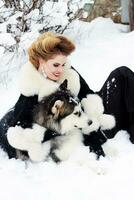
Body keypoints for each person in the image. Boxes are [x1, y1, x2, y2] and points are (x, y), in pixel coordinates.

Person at [0, 32, 132, 160]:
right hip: (81, 125)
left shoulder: (68, 73)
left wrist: (93, 121)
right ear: (41, 61)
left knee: (122, 74)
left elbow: (88, 95)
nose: (60, 70)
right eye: (56, 65)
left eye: (63, 64)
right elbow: (19, 137)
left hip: (95, 119)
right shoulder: (31, 93)